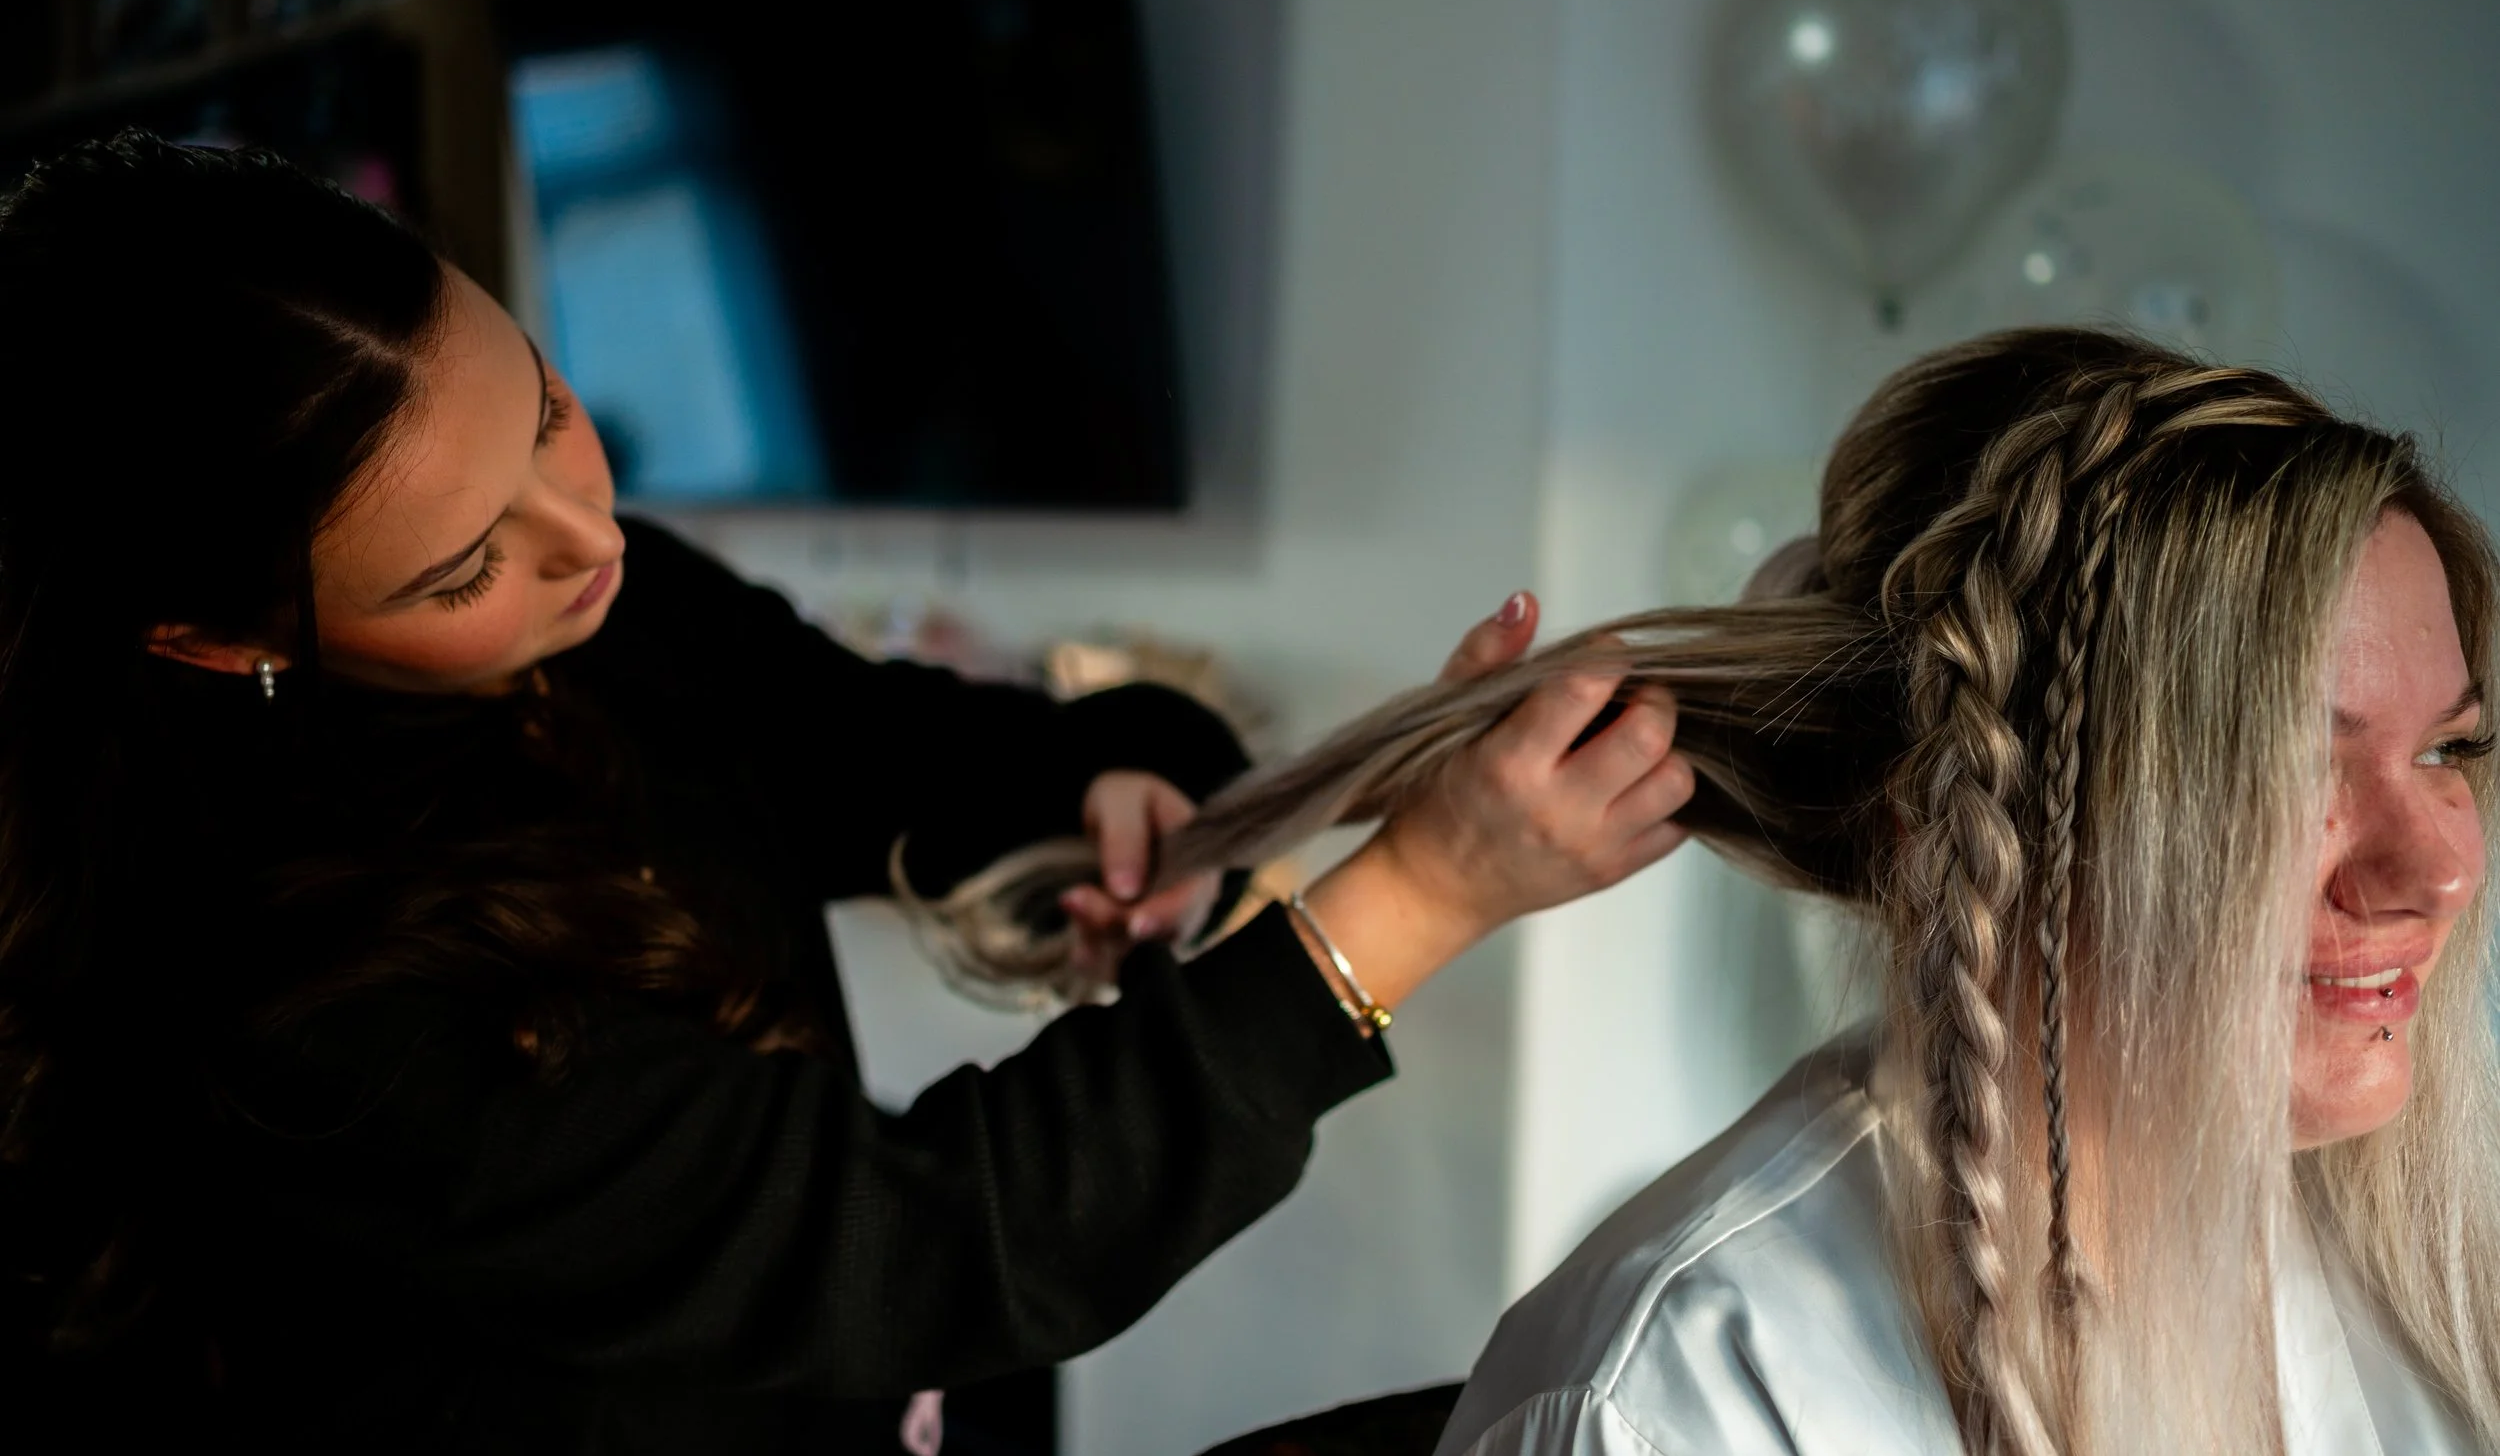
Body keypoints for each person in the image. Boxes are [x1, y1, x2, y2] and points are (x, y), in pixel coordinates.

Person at [0, 132, 1698, 1452]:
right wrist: (1426, 889)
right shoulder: (294, 1001)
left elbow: (912, 746)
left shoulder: (615, 607)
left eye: (548, 409)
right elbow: (924, 1235)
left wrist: (1133, 784)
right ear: (218, 639)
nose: (585, 538)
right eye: (463, 572)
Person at [1103, 331, 2499, 1452]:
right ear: (1953, 826)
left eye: (2450, 746)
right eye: (2284, 769)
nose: (2437, 864)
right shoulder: (1683, 1405)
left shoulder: (2429, 1293)